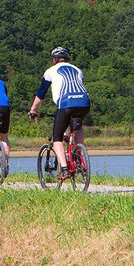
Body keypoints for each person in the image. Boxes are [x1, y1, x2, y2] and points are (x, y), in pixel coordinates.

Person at [27, 47, 91, 181]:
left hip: (66, 104)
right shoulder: (78, 70)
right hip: (84, 103)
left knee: (57, 138)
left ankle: (64, 169)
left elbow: (41, 94)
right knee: (77, 127)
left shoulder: (50, 71)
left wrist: (33, 110)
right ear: (67, 59)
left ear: (54, 59)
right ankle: (79, 158)